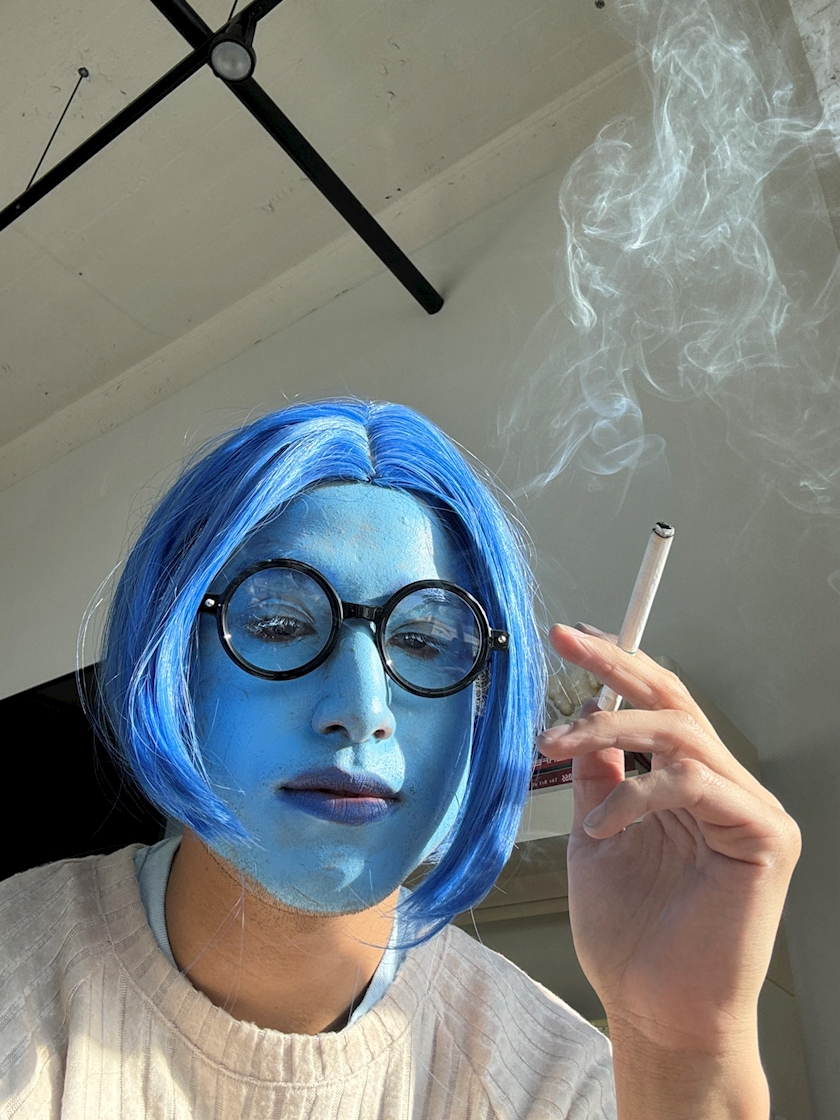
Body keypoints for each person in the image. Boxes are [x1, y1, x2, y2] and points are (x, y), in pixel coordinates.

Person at [0, 399, 800, 1118]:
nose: (362, 710)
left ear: (484, 705)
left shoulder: (558, 1088)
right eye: (279, 625)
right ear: (171, 661)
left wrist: (685, 1056)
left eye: (425, 641)